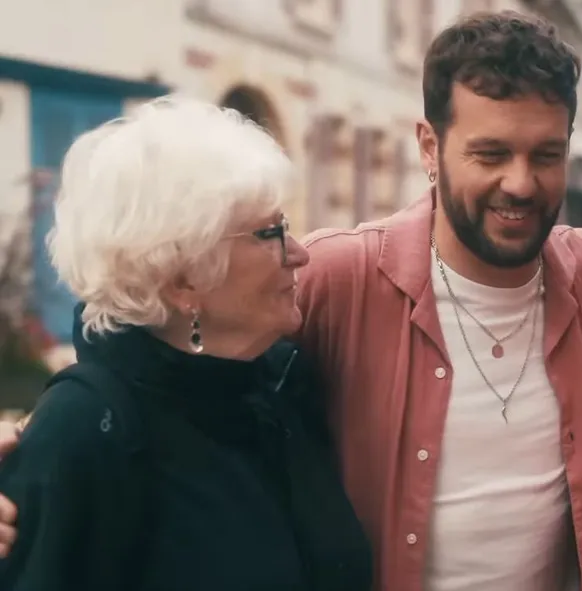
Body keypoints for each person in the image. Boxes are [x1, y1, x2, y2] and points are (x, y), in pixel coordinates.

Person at [0, 12, 582, 590]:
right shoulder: (335, 280)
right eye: (490, 152)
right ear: (429, 147)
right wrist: (25, 452)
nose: (521, 182)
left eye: (546, 154)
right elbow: (129, 371)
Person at [0, 97, 373, 590]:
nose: (301, 254)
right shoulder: (85, 432)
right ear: (183, 277)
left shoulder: (282, 388)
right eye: (270, 233)